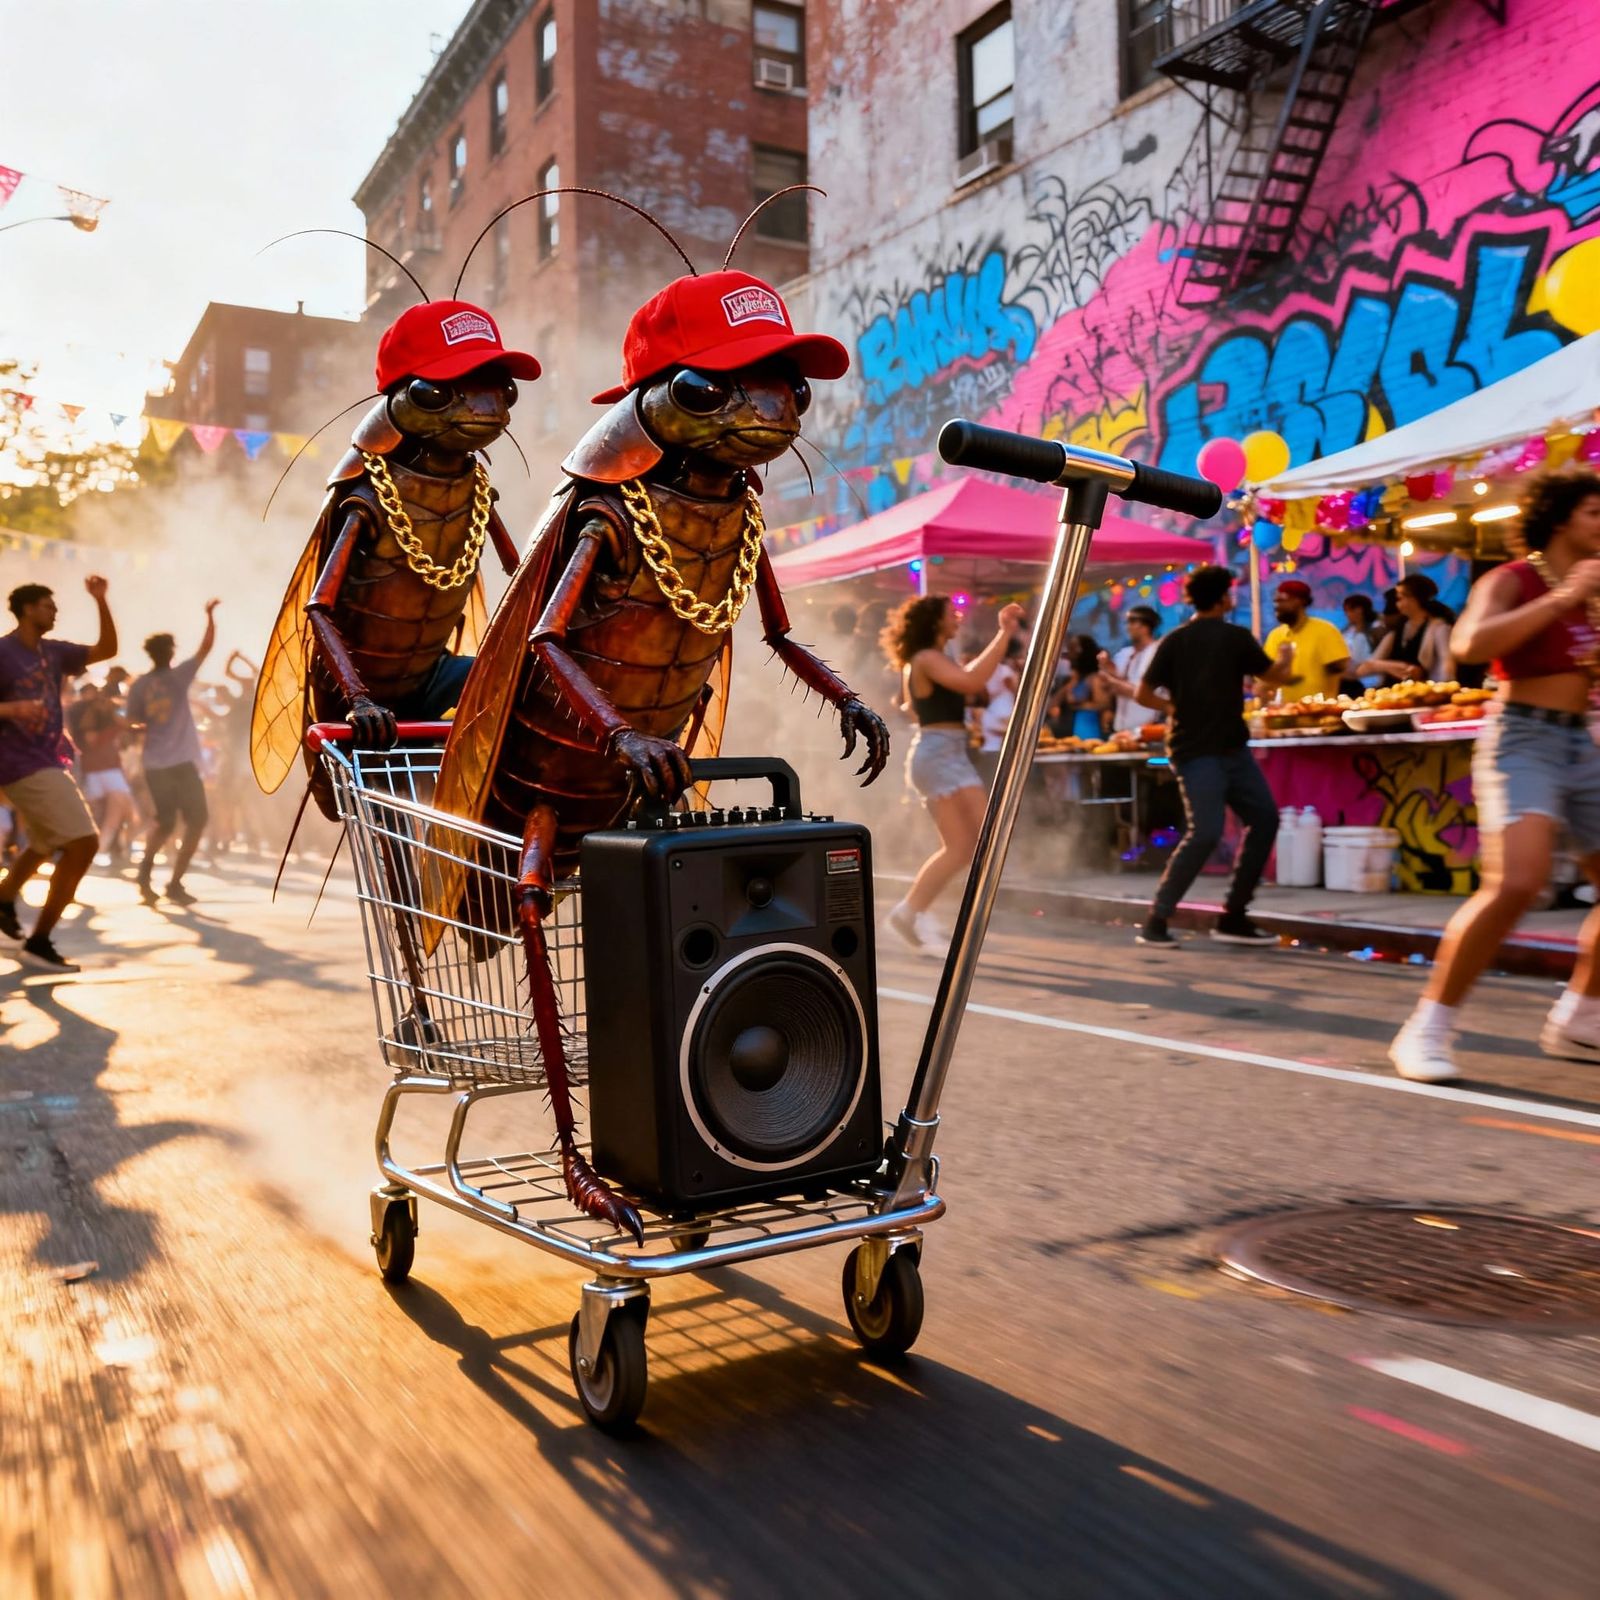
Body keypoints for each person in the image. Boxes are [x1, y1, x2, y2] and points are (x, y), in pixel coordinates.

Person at [1389, 471, 1600, 1081]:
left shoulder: (1594, 588)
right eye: (1593, 512)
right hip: (1524, 739)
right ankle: (1426, 1028)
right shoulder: (1513, 579)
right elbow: (1470, 643)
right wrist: (1562, 599)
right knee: (1518, 884)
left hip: (1584, 739)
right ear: (1560, 518)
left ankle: (1581, 1020)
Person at [1134, 565, 1295, 947]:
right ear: (1222, 597)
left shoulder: (1176, 640)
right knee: (1213, 830)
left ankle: (1233, 916)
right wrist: (1287, 656)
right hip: (1205, 751)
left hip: (1214, 748)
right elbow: (1277, 677)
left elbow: (1142, 695)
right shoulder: (1232, 637)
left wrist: (1173, 709)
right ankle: (1158, 917)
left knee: (1257, 820)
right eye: (1229, 592)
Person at [881, 595, 1026, 954]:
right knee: (986, 838)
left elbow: (923, 699)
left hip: (940, 752)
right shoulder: (926, 659)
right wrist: (1004, 633)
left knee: (962, 848)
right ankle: (969, 923)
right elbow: (971, 681)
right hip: (939, 754)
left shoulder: (925, 660)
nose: (958, 618)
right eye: (952, 613)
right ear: (935, 622)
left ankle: (909, 912)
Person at [0, 577, 118, 971]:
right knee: (83, 844)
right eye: (48, 606)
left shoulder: (54, 652)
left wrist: (101, 601)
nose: (54, 611)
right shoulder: (3, 652)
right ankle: (39, 942)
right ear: (28, 609)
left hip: (49, 759)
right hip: (18, 762)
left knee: (42, 842)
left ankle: (2, 903)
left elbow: (107, 649)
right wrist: (10, 710)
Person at [127, 599, 218, 907]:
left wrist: (148, 726)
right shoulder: (178, 677)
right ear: (170, 653)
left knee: (166, 821)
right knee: (197, 819)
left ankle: (148, 873)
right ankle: (172, 881)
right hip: (177, 762)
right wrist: (209, 617)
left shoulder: (140, 685)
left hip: (155, 762)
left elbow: (132, 721)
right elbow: (205, 648)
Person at [72, 681, 137, 865]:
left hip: (103, 770)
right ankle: (99, 850)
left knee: (110, 813)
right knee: (115, 812)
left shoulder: (109, 721)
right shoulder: (94, 719)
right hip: (101, 770)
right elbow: (91, 740)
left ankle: (101, 850)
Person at [1356, 572, 1456, 684]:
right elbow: (1363, 669)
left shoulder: (1439, 628)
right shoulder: (1398, 630)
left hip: (1423, 694)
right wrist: (1391, 666)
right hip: (1394, 695)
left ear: (1414, 599)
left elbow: (1447, 666)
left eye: (1399, 598)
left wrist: (1443, 689)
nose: (1397, 604)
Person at [1261, 579, 1349, 703]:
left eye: (1282, 601)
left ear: (1300, 601)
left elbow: (1341, 667)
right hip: (1287, 712)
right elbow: (1267, 675)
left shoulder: (1326, 631)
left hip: (1322, 712)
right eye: (1276, 601)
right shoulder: (1275, 635)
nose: (1277, 606)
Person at [1098, 606, 1166, 733]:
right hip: (1121, 728)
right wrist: (1107, 669)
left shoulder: (1156, 652)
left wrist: (1112, 681)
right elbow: (1117, 687)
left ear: (1145, 627)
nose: (1128, 627)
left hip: (1148, 728)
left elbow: (1146, 692)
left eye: (1132, 622)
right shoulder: (1124, 653)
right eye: (1127, 622)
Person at [1047, 633, 1112, 739]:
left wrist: (1078, 706)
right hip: (1070, 729)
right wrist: (1071, 683)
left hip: (1089, 727)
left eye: (1074, 649)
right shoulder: (1072, 679)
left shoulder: (1095, 678)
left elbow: (1103, 704)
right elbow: (1053, 703)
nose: (1070, 653)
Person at [1339, 595, 1382, 695]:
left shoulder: (1377, 629)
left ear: (1359, 610)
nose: (1347, 614)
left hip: (1371, 681)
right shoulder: (1346, 631)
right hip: (1348, 679)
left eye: (1349, 610)